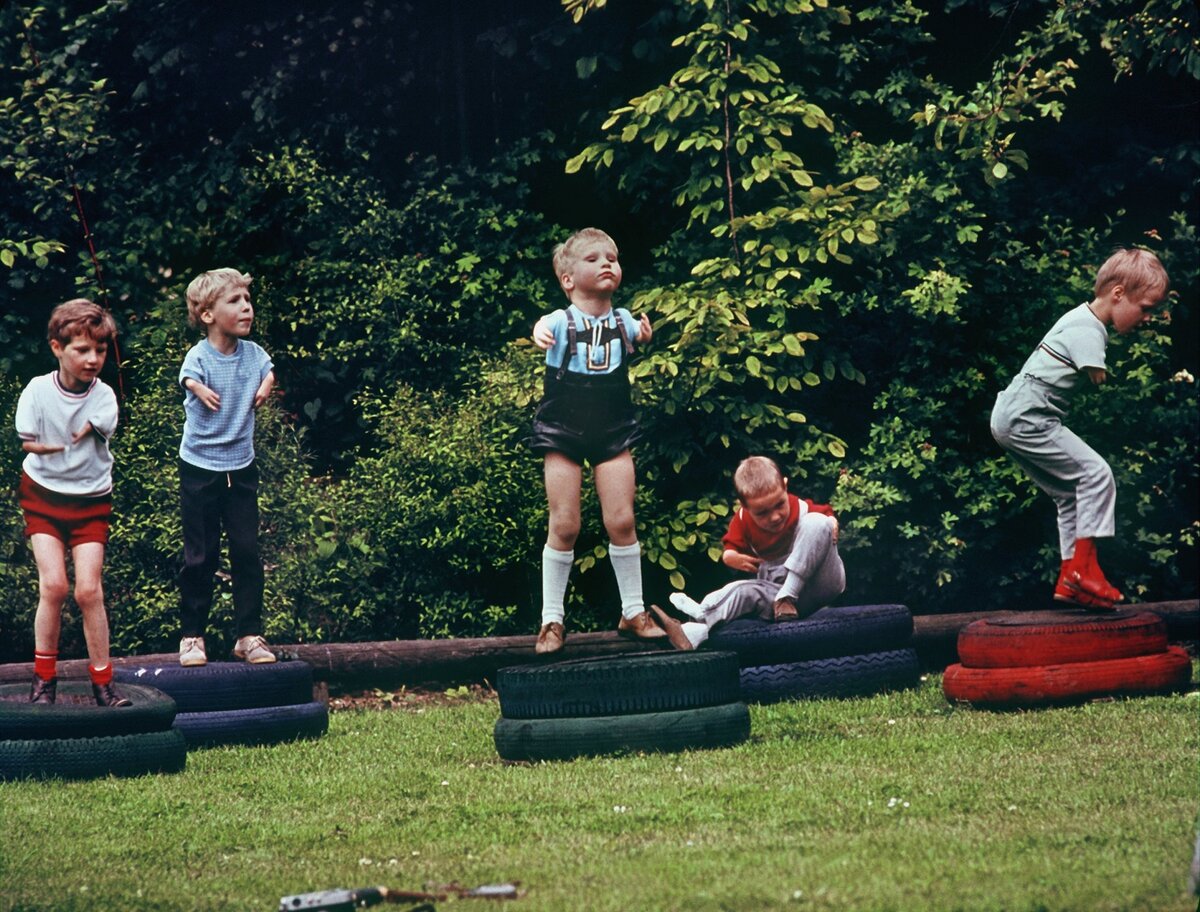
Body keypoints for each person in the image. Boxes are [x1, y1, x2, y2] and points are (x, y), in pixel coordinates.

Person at [989, 248, 1169, 609]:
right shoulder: (1087, 326)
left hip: (1014, 415)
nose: (1147, 317)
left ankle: (1069, 579)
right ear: (1117, 293)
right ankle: (1085, 570)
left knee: (1070, 494)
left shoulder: (1079, 320)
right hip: (1028, 415)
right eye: (1145, 307)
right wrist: (1095, 368)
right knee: (1096, 474)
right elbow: (1090, 362)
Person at [527, 227, 666, 654]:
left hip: (612, 427)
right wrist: (537, 334)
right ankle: (552, 620)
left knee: (622, 520)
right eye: (593, 259)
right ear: (567, 279)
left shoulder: (623, 320)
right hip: (563, 429)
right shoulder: (558, 322)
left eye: (613, 257)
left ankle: (633, 611)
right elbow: (539, 327)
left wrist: (644, 336)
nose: (607, 263)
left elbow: (637, 338)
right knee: (565, 524)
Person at [16, 299, 130, 706]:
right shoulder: (37, 390)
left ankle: (104, 684)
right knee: (54, 585)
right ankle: (43, 681)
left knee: (88, 591)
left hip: (90, 501)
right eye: (82, 350)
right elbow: (27, 439)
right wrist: (38, 446)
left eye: (100, 350)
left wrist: (79, 433)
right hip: (43, 496)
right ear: (56, 348)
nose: (94, 359)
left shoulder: (104, 398)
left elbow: (90, 428)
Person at [177, 268, 277, 667]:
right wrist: (197, 387)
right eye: (235, 302)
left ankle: (249, 636)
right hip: (200, 467)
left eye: (248, 301)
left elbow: (267, 370)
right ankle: (192, 637)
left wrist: (267, 384)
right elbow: (188, 377)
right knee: (200, 556)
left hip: (241, 467)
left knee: (247, 551)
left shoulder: (253, 354)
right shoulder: (199, 356)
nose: (246, 308)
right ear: (207, 315)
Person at [649, 456, 845, 651]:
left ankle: (789, 595)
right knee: (743, 590)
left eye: (779, 504)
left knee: (818, 522)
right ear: (744, 506)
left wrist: (832, 521)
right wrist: (732, 558)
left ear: (785, 486)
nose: (775, 517)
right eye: (762, 513)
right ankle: (696, 624)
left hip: (822, 582)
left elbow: (825, 514)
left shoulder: (801, 508)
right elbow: (729, 550)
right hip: (778, 600)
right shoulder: (742, 522)